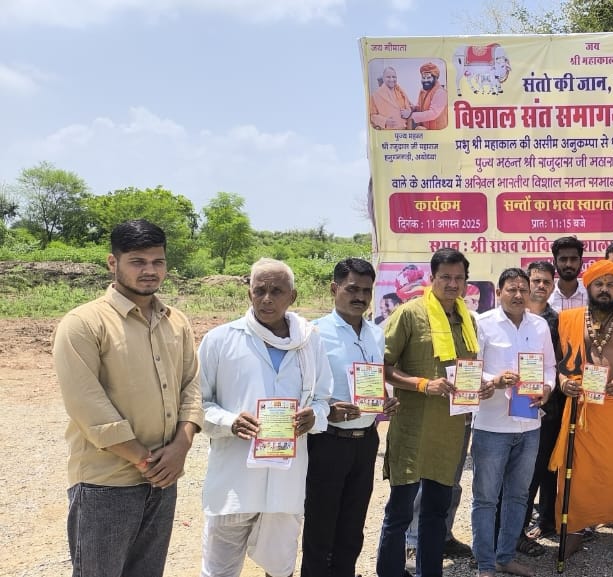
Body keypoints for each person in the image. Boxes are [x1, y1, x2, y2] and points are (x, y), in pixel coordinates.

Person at [53, 219, 203, 577]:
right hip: (106, 485)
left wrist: (181, 446)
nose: (150, 271)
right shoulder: (83, 324)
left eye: (158, 261)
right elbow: (88, 406)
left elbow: (192, 385)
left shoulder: (176, 321)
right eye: (138, 261)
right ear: (113, 262)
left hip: (163, 480)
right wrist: (144, 459)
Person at [199, 258, 333, 577]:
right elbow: (196, 404)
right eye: (259, 290)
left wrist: (314, 417)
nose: (267, 299)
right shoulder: (220, 340)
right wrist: (229, 422)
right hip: (235, 481)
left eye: (277, 291)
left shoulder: (309, 341)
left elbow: (323, 399)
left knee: (281, 568)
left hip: (285, 482)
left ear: (293, 296)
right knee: (219, 571)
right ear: (249, 294)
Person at [376, 248, 492, 577]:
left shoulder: (468, 320)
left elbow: (467, 370)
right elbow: (382, 366)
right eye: (445, 277)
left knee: (436, 513)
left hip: (449, 432)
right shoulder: (409, 314)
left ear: (466, 281)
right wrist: (423, 384)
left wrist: (480, 387)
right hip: (413, 429)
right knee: (400, 512)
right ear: (432, 278)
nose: (452, 284)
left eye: (459, 278)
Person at [303, 258, 401, 577]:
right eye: (352, 289)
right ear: (334, 289)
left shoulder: (375, 333)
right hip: (328, 441)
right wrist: (329, 409)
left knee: (352, 527)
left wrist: (384, 402)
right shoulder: (314, 333)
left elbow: (373, 379)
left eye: (366, 291)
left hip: (365, 441)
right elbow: (302, 388)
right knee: (320, 527)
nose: (360, 297)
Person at [550, 259, 613, 565]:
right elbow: (557, 364)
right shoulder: (569, 319)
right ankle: (575, 531)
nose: (604, 290)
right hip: (582, 407)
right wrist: (563, 382)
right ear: (589, 287)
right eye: (599, 284)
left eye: (610, 285)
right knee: (578, 472)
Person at [472, 268, 556, 577]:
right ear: (499, 292)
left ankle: (505, 557)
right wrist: (493, 380)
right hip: (492, 426)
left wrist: (547, 388)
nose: (518, 294)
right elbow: (469, 369)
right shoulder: (482, 323)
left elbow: (550, 367)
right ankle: (484, 563)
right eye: (512, 289)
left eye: (523, 289)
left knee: (519, 496)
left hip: (529, 425)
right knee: (486, 498)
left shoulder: (539, 325)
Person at [522, 261, 565, 542]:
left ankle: (547, 520)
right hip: (515, 405)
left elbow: (562, 362)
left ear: (552, 286)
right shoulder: (513, 314)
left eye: (546, 282)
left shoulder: (559, 321)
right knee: (523, 472)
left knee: (548, 467)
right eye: (536, 280)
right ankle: (517, 526)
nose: (540, 286)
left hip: (549, 406)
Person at [549, 236, 587, 312]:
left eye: (573, 259)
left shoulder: (590, 297)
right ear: (555, 263)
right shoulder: (547, 297)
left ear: (581, 263)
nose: (568, 264)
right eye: (563, 259)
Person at [410, 62, 447, 130]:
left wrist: (411, 115)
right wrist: (412, 108)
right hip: (426, 129)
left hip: (437, 132)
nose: (425, 80)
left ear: (435, 78)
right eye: (423, 78)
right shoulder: (423, 91)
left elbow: (433, 113)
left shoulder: (440, 92)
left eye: (429, 77)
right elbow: (419, 106)